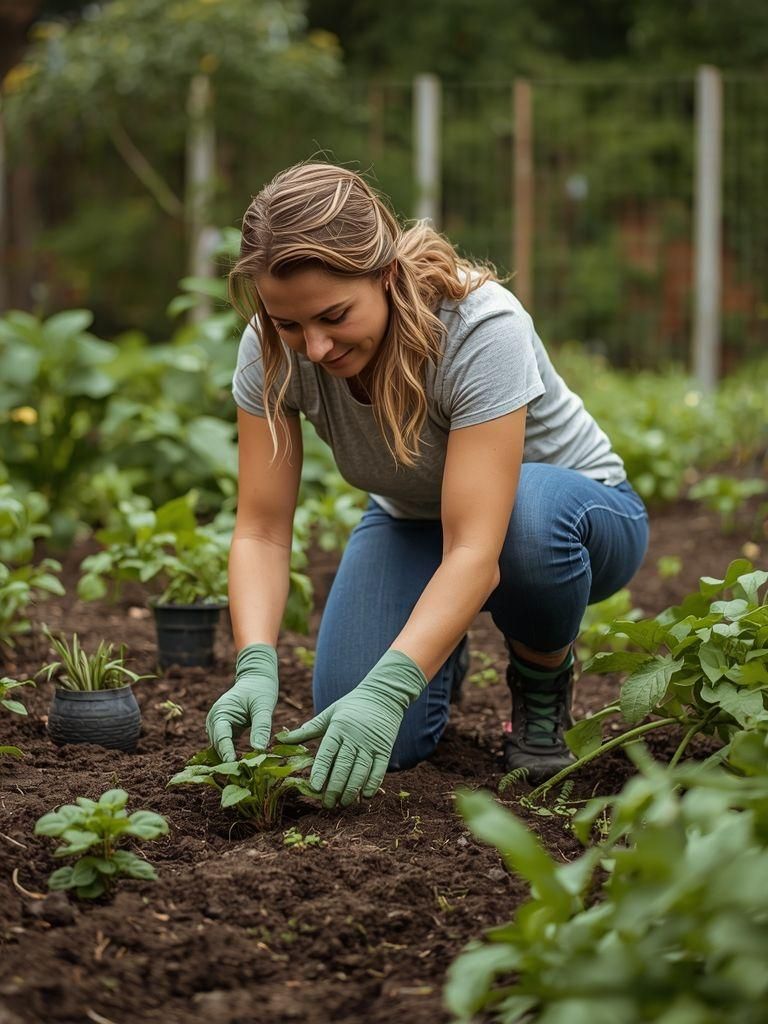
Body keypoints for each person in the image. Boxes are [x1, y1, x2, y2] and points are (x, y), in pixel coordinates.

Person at [204, 161, 649, 808]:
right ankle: (439, 642)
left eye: (334, 315)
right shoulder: (272, 350)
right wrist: (254, 662)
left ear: (385, 274)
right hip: (417, 520)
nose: (317, 348)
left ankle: (543, 679)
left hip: (574, 519)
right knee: (378, 739)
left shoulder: (479, 327)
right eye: (290, 324)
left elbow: (477, 548)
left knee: (525, 524)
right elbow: (263, 530)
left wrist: (390, 686)